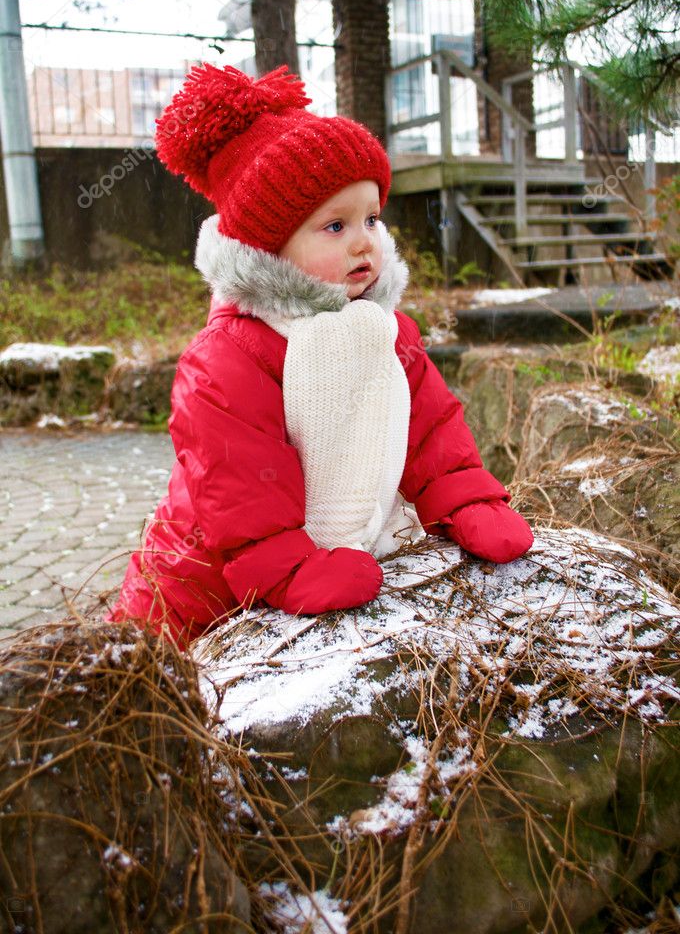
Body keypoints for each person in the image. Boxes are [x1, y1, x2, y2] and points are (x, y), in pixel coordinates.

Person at [106, 63, 533, 649]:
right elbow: (240, 485)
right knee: (160, 668)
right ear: (270, 246)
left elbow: (429, 427)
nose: (365, 241)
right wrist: (287, 569)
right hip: (202, 580)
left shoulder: (383, 330)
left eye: (371, 219)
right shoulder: (229, 356)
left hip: (314, 552)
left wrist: (467, 499)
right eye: (335, 226)